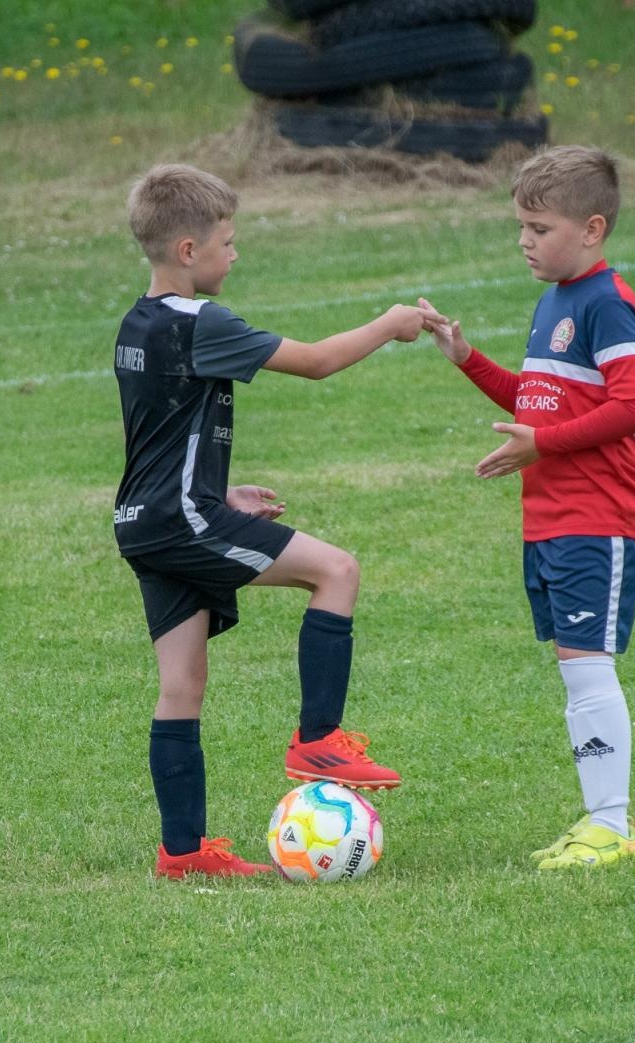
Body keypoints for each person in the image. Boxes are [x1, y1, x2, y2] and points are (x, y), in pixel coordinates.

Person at [114, 163, 445, 878]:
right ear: (189, 251)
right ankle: (318, 741)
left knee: (181, 686)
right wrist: (390, 325)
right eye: (228, 243)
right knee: (337, 571)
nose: (236, 255)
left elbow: (158, 434)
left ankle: (183, 853)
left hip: (147, 519)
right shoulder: (202, 321)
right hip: (181, 519)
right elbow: (318, 362)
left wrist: (218, 493)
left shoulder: (136, 323)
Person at [420, 144, 635, 870]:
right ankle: (599, 820)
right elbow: (537, 402)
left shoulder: (607, 303)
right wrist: (468, 359)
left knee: (587, 670)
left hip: (598, 516)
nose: (524, 241)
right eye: (520, 226)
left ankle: (610, 825)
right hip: (552, 520)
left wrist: (542, 445)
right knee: (575, 669)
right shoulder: (555, 300)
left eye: (539, 228)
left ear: (591, 229)